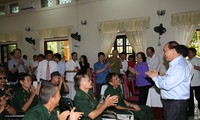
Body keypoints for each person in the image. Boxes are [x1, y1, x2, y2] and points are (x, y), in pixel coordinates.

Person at [146, 41, 192, 120]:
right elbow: (168, 79)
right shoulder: (175, 64)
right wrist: (157, 76)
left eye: (165, 51)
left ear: (173, 50)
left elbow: (166, 85)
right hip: (173, 104)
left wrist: (155, 77)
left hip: (175, 105)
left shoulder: (179, 66)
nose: (164, 54)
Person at [188, 47, 200, 116]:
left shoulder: (198, 60)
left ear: (194, 53)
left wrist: (193, 66)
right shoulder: (187, 61)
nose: (188, 53)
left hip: (197, 82)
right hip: (189, 82)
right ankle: (191, 111)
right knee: (190, 98)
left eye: (189, 52)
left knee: (199, 97)